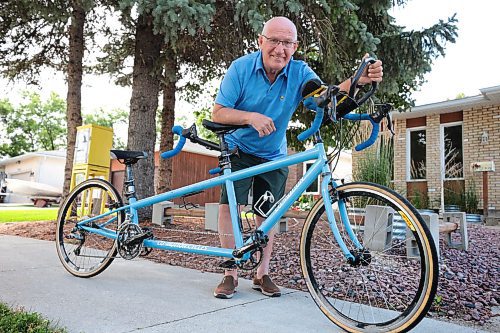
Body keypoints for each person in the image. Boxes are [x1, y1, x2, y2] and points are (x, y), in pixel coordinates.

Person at [211, 16, 383, 299]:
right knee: (228, 209)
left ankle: (261, 273)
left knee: (266, 215)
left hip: (273, 154)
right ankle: (230, 273)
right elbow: (219, 112)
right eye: (275, 41)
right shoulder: (240, 68)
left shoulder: (300, 71)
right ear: (261, 42)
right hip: (238, 149)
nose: (280, 49)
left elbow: (324, 95)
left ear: (295, 46)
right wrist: (250, 117)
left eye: (287, 43)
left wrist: (357, 81)